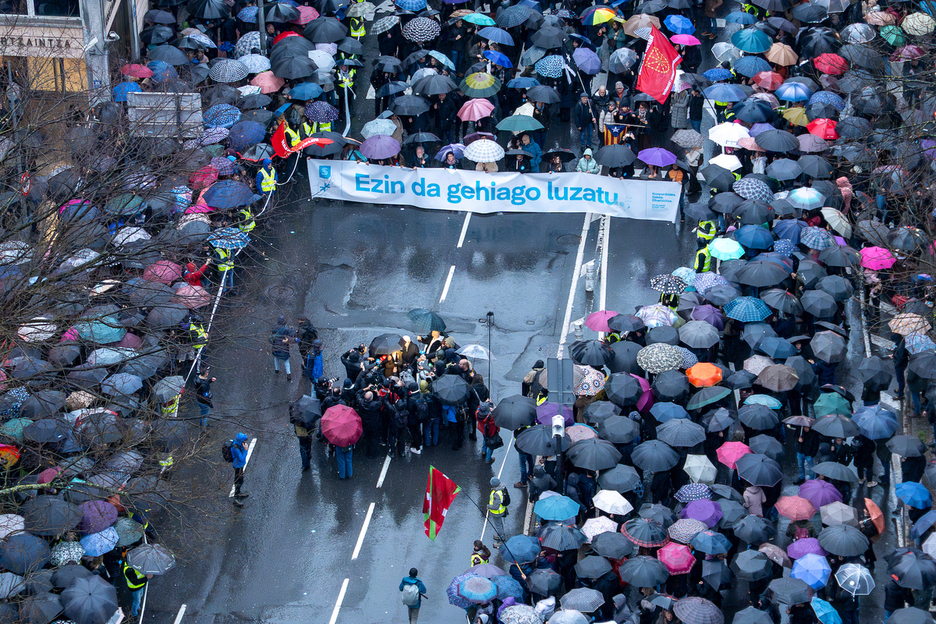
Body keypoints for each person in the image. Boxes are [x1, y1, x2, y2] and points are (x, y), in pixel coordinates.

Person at [270, 315, 294, 380]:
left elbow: (270, 337)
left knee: (276, 358)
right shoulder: (286, 329)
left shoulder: (274, 328)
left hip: (276, 348)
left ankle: (277, 370)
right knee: (286, 361)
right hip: (284, 349)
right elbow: (292, 335)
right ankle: (288, 374)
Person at [487, 477, 509, 546]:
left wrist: (488, 507)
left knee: (498, 526)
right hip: (501, 510)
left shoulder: (497, 494)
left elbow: (495, 507)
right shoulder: (502, 488)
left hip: (497, 512)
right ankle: (501, 534)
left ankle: (501, 540)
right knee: (499, 524)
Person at [232, 432, 250, 506]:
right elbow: (241, 458)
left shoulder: (239, 444)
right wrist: (246, 450)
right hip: (237, 465)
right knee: (238, 480)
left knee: (241, 479)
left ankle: (238, 492)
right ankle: (236, 498)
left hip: (240, 465)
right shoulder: (235, 447)